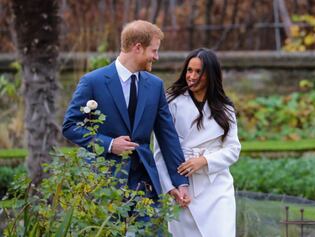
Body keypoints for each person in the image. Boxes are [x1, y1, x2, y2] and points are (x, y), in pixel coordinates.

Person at [62, 20, 190, 207]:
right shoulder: (93, 82)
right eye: (154, 50)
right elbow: (70, 126)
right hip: (105, 183)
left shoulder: (155, 86)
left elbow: (167, 135)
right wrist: (110, 144)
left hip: (146, 184)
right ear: (138, 48)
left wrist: (180, 182)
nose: (157, 57)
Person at [154, 48, 241, 237]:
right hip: (183, 188)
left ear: (210, 75)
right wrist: (170, 187)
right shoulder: (172, 103)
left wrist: (204, 161)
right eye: (189, 70)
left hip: (216, 187)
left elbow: (233, 149)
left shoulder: (225, 108)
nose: (191, 76)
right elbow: (160, 151)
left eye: (198, 72)